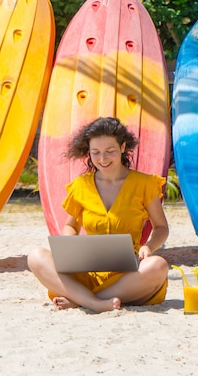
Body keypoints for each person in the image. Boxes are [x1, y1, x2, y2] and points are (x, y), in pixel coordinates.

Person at [28, 116, 169, 313]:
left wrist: (149, 246)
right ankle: (94, 302)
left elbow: (161, 227)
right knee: (35, 256)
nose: (102, 159)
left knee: (159, 266)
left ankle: (81, 300)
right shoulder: (81, 185)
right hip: (86, 272)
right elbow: (70, 226)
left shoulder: (144, 184)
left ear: (123, 147)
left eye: (110, 151)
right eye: (96, 153)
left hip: (127, 276)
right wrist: (69, 247)